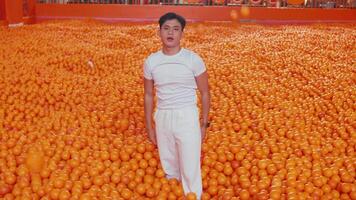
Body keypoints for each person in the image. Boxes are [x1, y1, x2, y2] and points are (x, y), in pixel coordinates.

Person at [143, 12, 210, 199]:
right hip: (163, 115)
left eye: (175, 29)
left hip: (186, 115)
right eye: (166, 28)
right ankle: (172, 194)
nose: (170, 33)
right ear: (159, 32)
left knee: (190, 167)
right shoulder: (151, 62)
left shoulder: (193, 60)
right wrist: (150, 126)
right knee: (169, 165)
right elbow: (148, 95)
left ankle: (193, 196)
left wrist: (204, 124)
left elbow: (205, 93)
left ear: (182, 33)